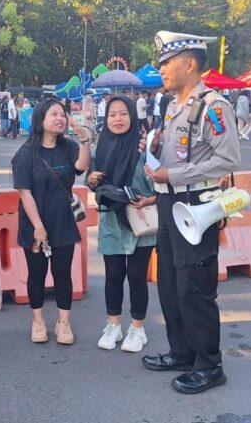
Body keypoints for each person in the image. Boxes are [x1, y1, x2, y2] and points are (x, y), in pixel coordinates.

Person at [142, 31, 240, 395]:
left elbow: (227, 160)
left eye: (167, 62)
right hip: (169, 203)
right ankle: (181, 351)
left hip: (197, 203)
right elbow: (178, 154)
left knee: (194, 285)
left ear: (190, 63)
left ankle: (209, 364)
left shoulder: (213, 106)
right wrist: (155, 150)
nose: (162, 69)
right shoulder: (172, 106)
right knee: (170, 282)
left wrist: (173, 175)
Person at [11, 98, 91, 345]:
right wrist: (38, 226)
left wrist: (84, 140)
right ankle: (38, 321)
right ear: (40, 119)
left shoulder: (68, 146)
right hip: (34, 223)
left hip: (63, 221)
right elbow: (25, 193)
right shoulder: (25, 154)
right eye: (54, 114)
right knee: (36, 273)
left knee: (62, 273)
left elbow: (82, 167)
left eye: (62, 115)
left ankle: (63, 323)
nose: (60, 118)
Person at [87, 95, 156, 353]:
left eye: (123, 114)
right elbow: (93, 182)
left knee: (137, 276)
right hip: (111, 221)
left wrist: (149, 199)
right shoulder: (100, 149)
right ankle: (113, 324)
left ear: (133, 116)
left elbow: (160, 184)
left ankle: (138, 328)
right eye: (113, 114)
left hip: (140, 220)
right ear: (106, 118)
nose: (118, 119)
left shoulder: (144, 148)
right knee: (114, 275)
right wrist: (91, 180)